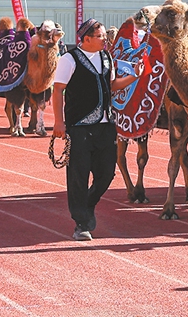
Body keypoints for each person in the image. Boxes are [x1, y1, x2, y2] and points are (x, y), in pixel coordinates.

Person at [51, 18, 139, 241]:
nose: (104, 40)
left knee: (107, 173)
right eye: (100, 37)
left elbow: (111, 85)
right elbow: (58, 90)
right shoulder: (68, 60)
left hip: (105, 125)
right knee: (78, 176)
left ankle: (87, 205)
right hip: (79, 127)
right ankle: (81, 223)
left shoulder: (106, 57)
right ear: (86, 39)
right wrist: (59, 122)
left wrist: (133, 76)